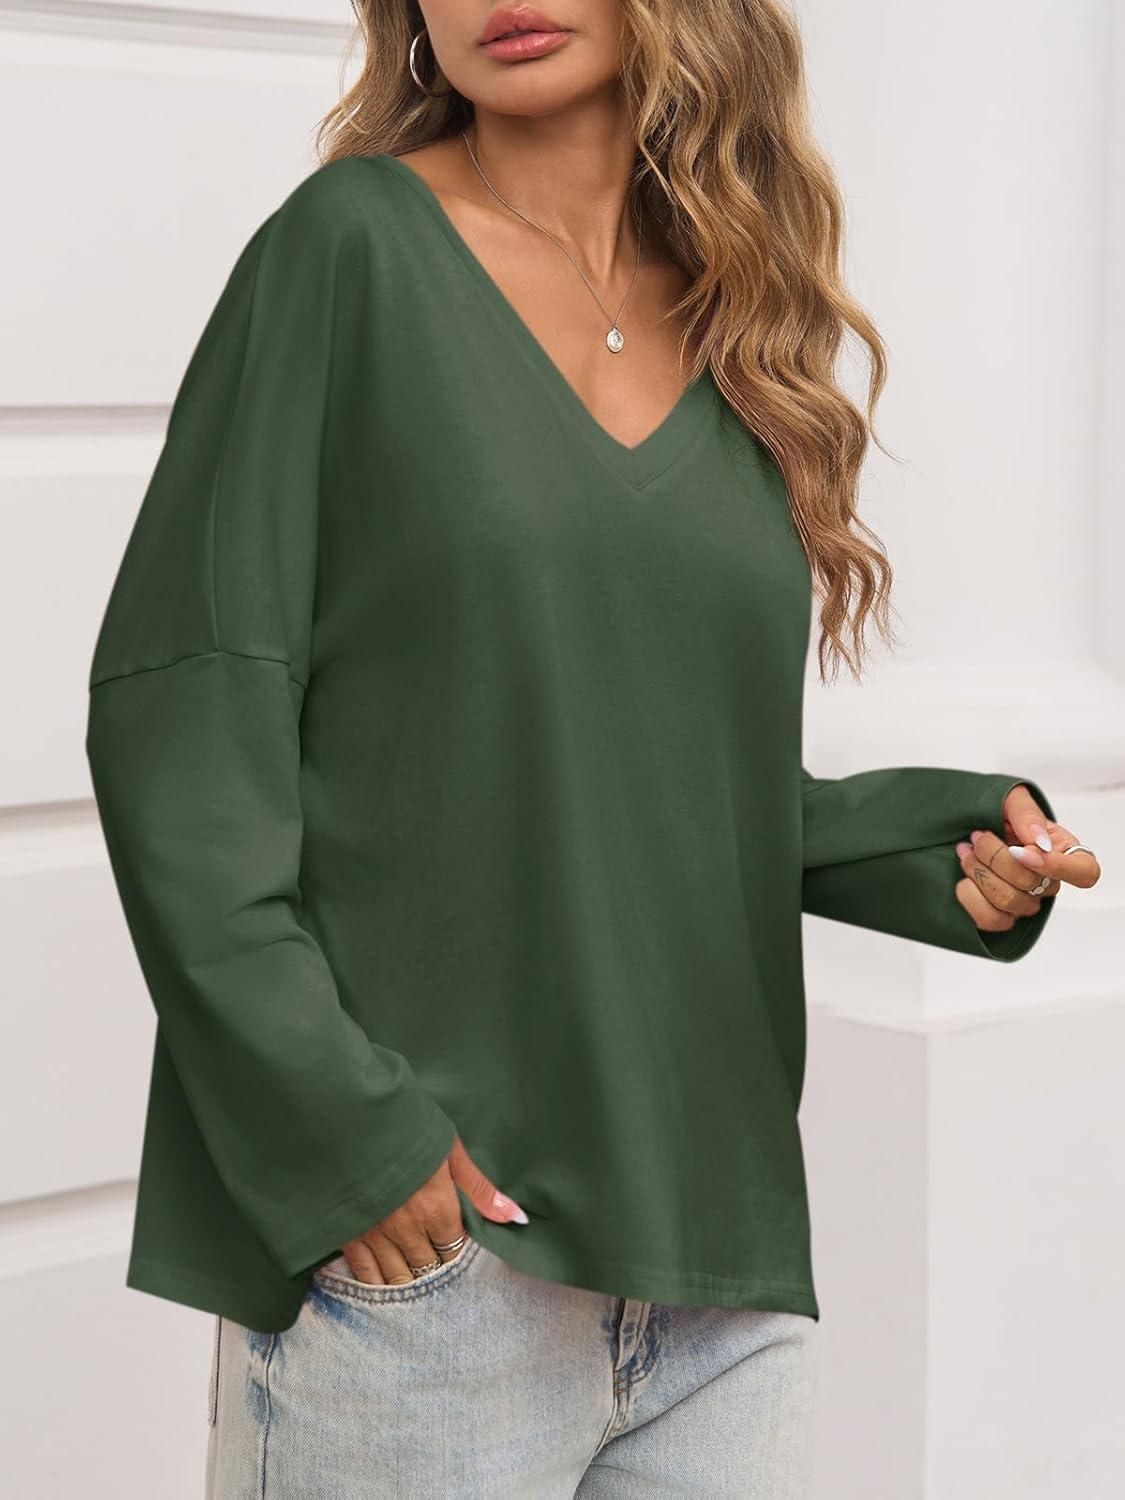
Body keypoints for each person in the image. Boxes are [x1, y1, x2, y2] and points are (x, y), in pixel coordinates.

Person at [84, 2, 1101, 1495]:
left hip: (718, 1268)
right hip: (437, 1273)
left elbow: (646, 769)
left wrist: (943, 848)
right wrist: (349, 1141)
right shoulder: (348, 250)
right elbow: (182, 718)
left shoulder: (739, 315)